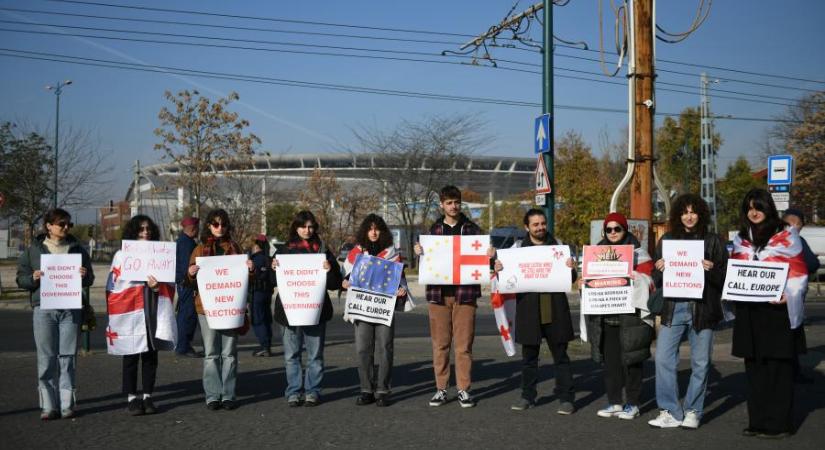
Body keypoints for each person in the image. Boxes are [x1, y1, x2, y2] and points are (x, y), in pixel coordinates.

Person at [730, 189, 808, 439]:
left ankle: (780, 423)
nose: (754, 212)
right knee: (754, 368)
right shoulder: (741, 239)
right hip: (750, 312)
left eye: (759, 207)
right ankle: (758, 421)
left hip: (776, 312)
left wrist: (789, 293)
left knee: (778, 368)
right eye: (749, 208)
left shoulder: (786, 236)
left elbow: (799, 272)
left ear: (768, 208)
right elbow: (736, 271)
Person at [648, 194, 727, 430]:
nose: (689, 216)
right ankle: (671, 411)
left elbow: (725, 278)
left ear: (701, 213)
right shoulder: (668, 240)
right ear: (677, 215)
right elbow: (656, 278)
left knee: (701, 363)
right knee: (663, 358)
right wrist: (659, 269)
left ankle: (693, 410)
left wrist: (711, 270)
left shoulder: (713, 241)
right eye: (684, 212)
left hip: (703, 309)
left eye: (693, 212)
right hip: (673, 307)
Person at [414, 185, 493, 408]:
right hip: (438, 294)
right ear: (441, 205)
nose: (453, 206)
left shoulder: (473, 230)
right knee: (440, 344)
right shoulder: (432, 232)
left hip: (465, 294)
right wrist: (419, 252)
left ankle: (463, 389)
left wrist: (489, 255)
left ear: (460, 203)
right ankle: (441, 389)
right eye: (449, 202)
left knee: (464, 344)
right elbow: (427, 264)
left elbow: (484, 262)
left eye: (456, 202)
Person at [494, 208, 577, 414]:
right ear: (526, 227)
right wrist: (498, 268)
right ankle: (527, 396)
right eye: (535, 224)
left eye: (542, 223)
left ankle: (566, 398)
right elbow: (505, 277)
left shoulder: (558, 245)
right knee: (529, 358)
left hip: (555, 309)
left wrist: (571, 268)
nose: (540, 227)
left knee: (561, 356)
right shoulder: (517, 248)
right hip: (529, 311)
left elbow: (571, 279)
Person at [16, 208, 94, 420]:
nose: (66, 228)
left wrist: (84, 275)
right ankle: (49, 406)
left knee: (68, 357)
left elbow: (90, 278)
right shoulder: (33, 249)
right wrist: (32, 278)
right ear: (48, 226)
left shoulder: (78, 248)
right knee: (46, 358)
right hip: (44, 308)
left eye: (68, 224)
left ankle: (67, 404)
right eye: (62, 224)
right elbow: (20, 277)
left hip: (71, 308)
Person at [584, 212, 655, 420]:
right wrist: (584, 284)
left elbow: (651, 282)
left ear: (625, 230)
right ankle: (614, 402)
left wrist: (636, 277)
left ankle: (632, 403)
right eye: (609, 229)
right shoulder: (596, 253)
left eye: (618, 228)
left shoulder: (638, 253)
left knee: (632, 361)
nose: (613, 233)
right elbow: (590, 281)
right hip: (606, 316)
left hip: (630, 318)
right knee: (611, 363)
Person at [106, 215, 177, 416]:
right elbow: (114, 284)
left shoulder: (160, 254)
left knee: (150, 354)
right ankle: (131, 397)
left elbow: (169, 284)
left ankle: (148, 395)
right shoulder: (121, 255)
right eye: (141, 229)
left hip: (152, 309)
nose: (145, 232)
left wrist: (156, 287)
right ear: (133, 231)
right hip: (129, 311)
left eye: (148, 229)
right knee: (130, 354)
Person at [272, 210, 342, 407]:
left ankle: (312, 391)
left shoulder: (322, 250)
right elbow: (270, 281)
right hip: (288, 311)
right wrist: (273, 267)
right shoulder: (284, 251)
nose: (307, 230)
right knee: (291, 355)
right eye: (303, 226)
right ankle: (294, 391)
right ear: (296, 227)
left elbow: (335, 283)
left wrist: (330, 270)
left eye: (311, 226)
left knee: (315, 355)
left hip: (315, 311)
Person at [186, 209, 253, 411]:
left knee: (229, 353)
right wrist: (190, 273)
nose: (220, 228)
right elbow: (190, 281)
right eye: (215, 224)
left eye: (223, 224)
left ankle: (229, 394)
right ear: (209, 226)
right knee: (211, 353)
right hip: (206, 309)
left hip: (231, 307)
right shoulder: (199, 250)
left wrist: (250, 269)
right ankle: (213, 395)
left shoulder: (234, 248)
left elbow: (244, 280)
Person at [342, 214, 409, 407]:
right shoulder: (355, 253)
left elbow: (400, 278)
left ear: (382, 231)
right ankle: (366, 389)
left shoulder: (392, 253)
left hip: (383, 308)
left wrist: (401, 289)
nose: (373, 232)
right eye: (370, 228)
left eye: (377, 228)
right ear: (365, 231)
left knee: (385, 348)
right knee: (363, 348)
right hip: (362, 308)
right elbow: (347, 276)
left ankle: (383, 390)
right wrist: (345, 282)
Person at [782, 208, 820, 384]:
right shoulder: (798, 241)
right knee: (792, 337)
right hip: (792, 298)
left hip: (772, 299)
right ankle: (793, 373)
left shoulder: (771, 241)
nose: (794, 228)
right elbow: (813, 263)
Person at [175, 216, 202, 358]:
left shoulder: (182, 241)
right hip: (187, 284)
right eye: (197, 228)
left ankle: (183, 345)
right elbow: (189, 265)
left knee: (185, 314)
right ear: (193, 229)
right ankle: (183, 346)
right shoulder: (187, 244)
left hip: (183, 283)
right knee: (188, 315)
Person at [249, 234, 274, 357]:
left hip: (257, 293)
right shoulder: (268, 259)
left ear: (256, 245)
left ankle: (264, 346)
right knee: (266, 319)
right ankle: (267, 344)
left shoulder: (254, 259)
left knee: (258, 319)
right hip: (267, 293)